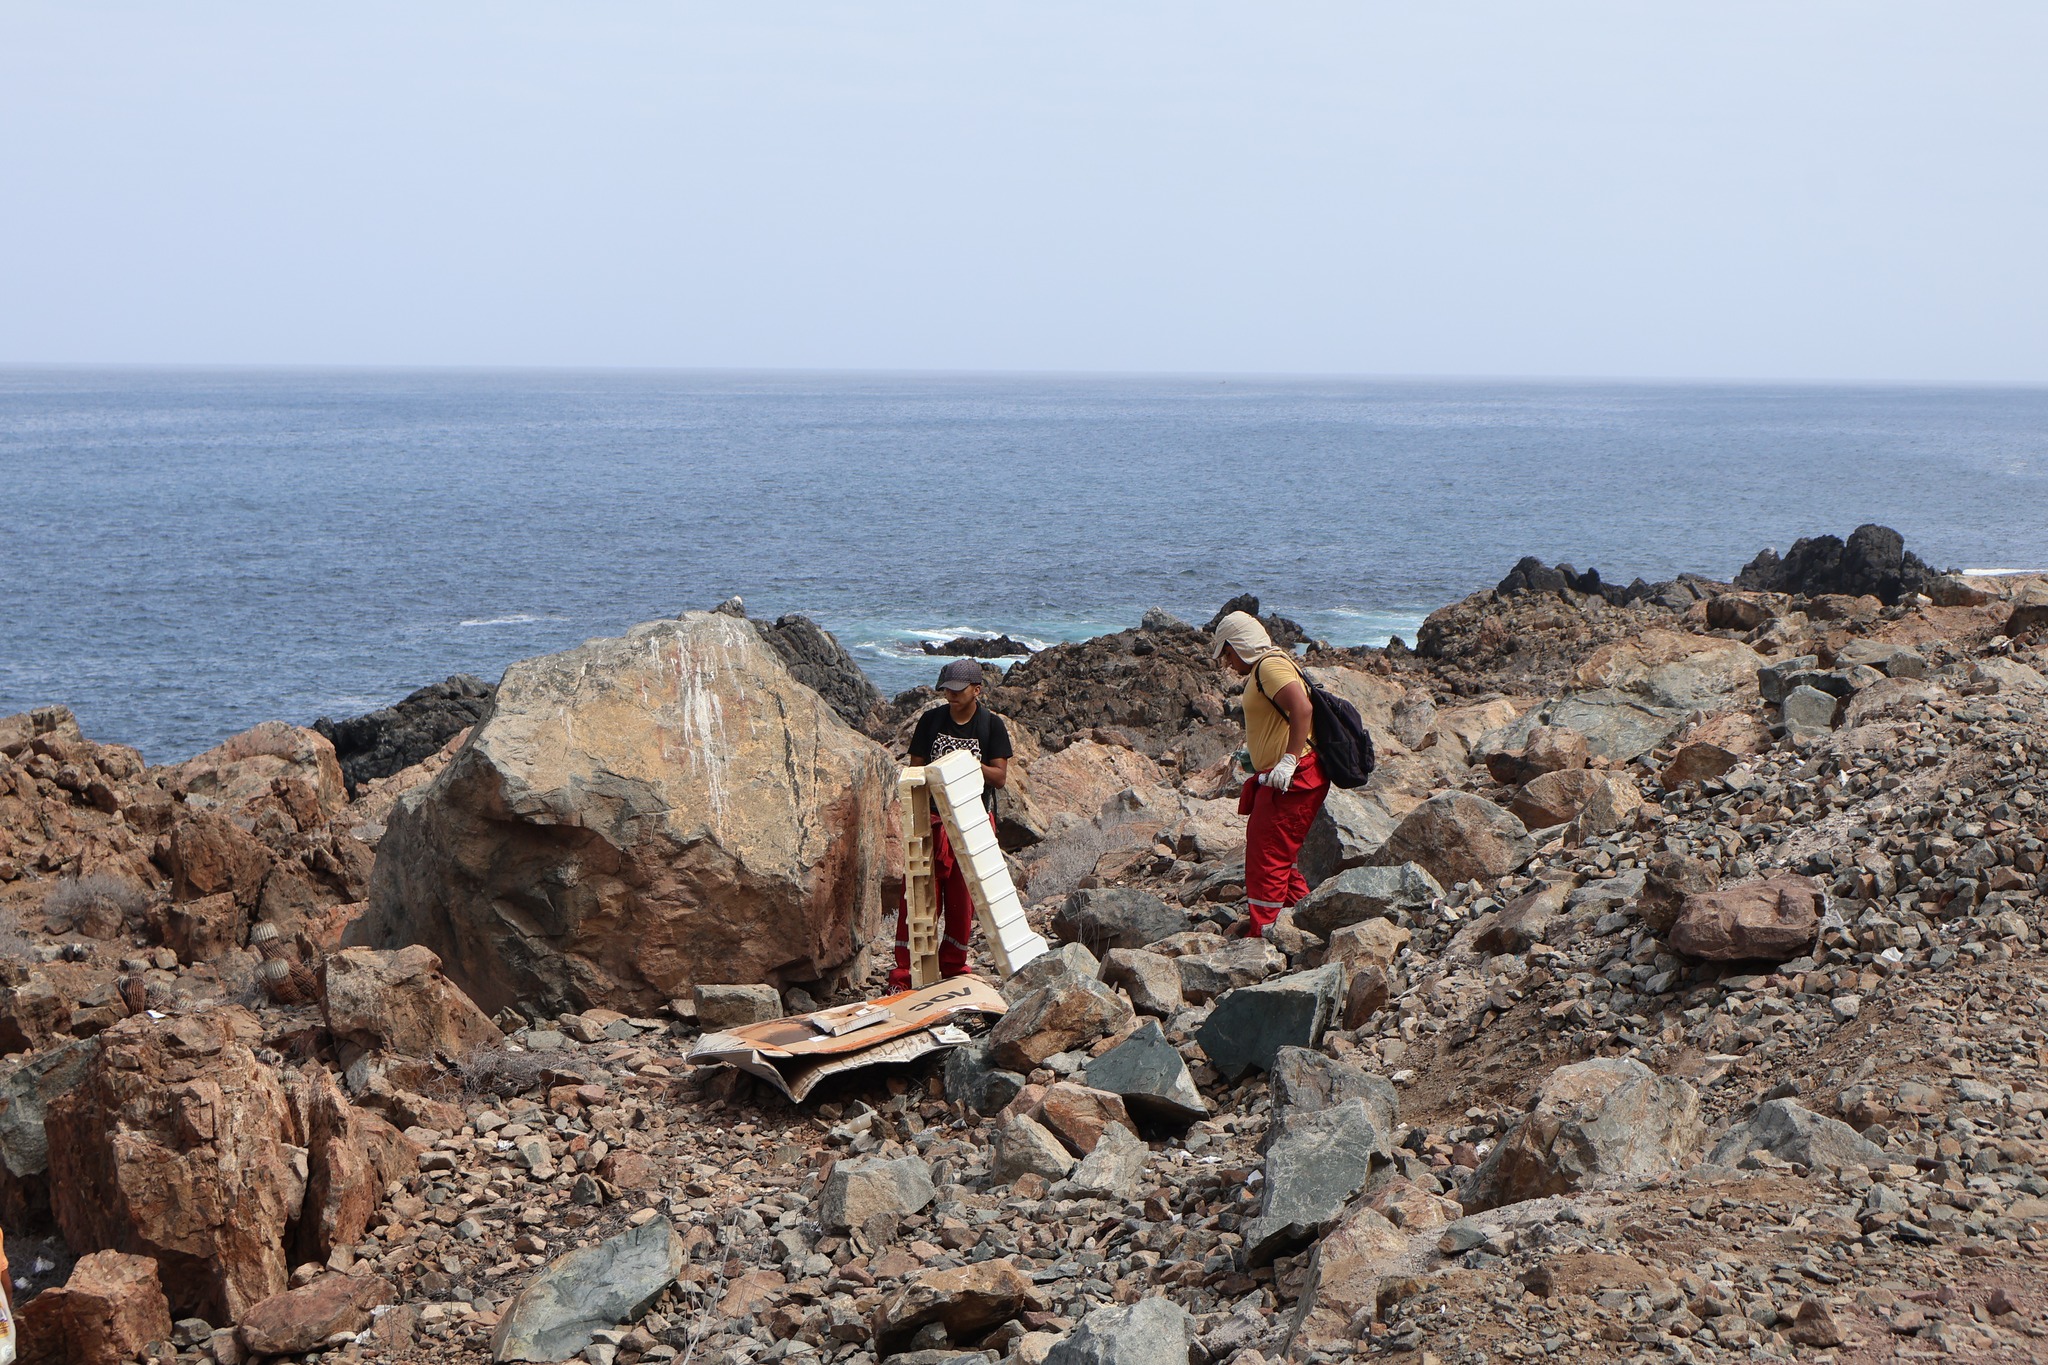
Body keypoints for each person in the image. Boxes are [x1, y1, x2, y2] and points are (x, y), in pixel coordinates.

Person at [888, 657, 1013, 990]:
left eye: (959, 690)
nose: (951, 696)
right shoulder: (931, 721)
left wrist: (964, 764)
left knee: (962, 899)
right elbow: (916, 769)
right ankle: (906, 972)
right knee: (917, 896)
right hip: (930, 820)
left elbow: (999, 777)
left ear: (977, 689)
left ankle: (954, 966)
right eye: (947, 689)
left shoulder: (991, 726)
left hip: (971, 820)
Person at [1212, 610, 1329, 938]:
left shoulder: (1269, 666)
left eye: (1227, 653)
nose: (1227, 662)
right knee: (1280, 855)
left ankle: (1264, 936)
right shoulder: (1271, 663)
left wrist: (1289, 759)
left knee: (1266, 856)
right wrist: (1261, 753)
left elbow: (1302, 709)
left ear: (1239, 645)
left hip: (1294, 778)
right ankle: (1301, 922)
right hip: (1288, 777)